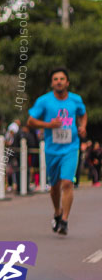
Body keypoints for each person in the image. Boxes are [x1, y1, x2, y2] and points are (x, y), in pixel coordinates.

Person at [27, 67, 87, 237]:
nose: (59, 81)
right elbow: (30, 121)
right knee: (54, 187)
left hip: (71, 147)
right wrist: (48, 125)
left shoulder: (76, 100)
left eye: (62, 79)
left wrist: (83, 126)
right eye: (55, 79)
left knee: (67, 183)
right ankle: (57, 211)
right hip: (52, 149)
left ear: (67, 82)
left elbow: (83, 114)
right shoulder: (44, 101)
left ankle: (65, 221)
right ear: (52, 83)